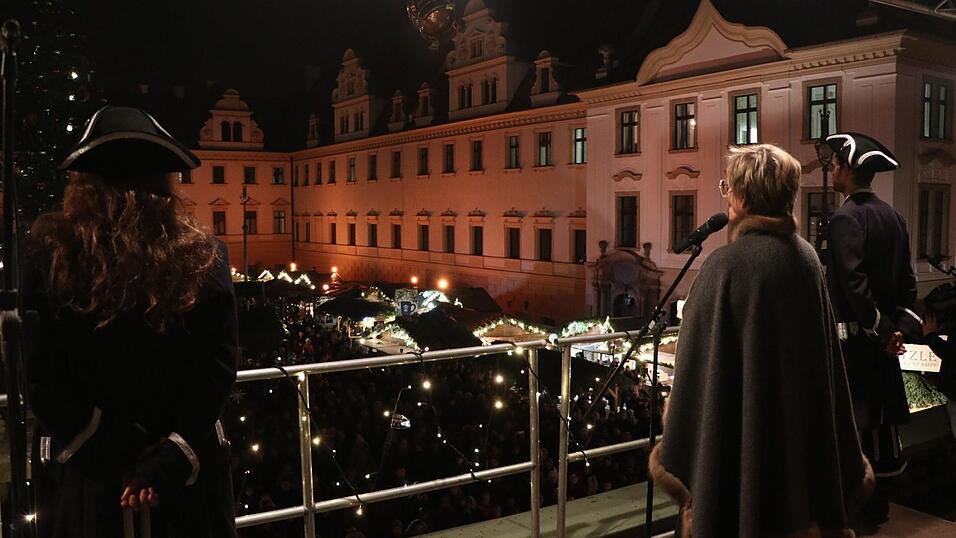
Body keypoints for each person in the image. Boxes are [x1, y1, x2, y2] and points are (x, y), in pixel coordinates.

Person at [23, 106, 239, 537]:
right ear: (165, 183)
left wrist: (117, 456)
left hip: (95, 480)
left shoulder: (47, 255)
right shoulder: (206, 254)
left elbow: (39, 372)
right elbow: (218, 368)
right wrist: (164, 459)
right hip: (180, 478)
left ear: (83, 184)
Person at [649, 144, 873, 537]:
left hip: (732, 458)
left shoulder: (723, 267)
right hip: (795, 452)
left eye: (728, 188)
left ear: (744, 197)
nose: (727, 197)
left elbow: (695, 370)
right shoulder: (805, 259)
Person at [823, 132, 919, 531]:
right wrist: (898, 332)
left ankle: (855, 516)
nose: (832, 170)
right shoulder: (893, 216)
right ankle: (876, 512)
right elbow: (908, 286)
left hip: (854, 350)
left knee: (854, 431)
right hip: (883, 349)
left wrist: (879, 331)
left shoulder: (846, 218)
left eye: (834, 164)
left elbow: (852, 284)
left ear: (847, 168)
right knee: (880, 430)